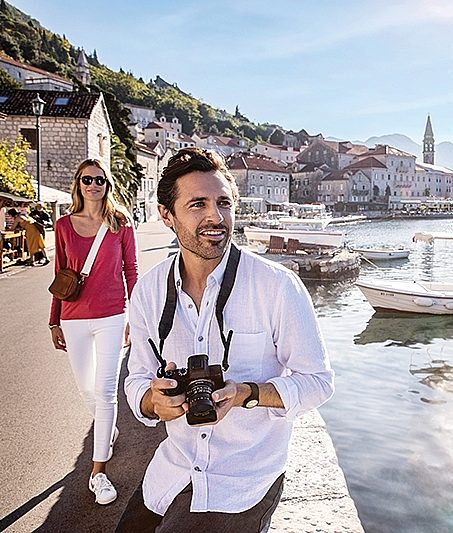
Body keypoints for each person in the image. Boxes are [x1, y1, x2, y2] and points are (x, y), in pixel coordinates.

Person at [117, 147, 334, 532]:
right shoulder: (149, 292)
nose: (215, 217)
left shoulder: (278, 286)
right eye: (197, 204)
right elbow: (136, 378)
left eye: (224, 203)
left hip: (244, 481)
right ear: (166, 215)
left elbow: (318, 382)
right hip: (172, 468)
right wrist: (153, 401)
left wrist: (246, 393)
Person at [48, 158, 138, 505]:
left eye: (99, 180)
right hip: (73, 318)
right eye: (87, 179)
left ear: (107, 185)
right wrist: (54, 321)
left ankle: (98, 472)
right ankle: (107, 429)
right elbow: (60, 274)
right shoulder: (64, 226)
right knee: (87, 390)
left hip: (112, 316)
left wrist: (134, 315)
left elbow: (131, 269)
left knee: (105, 392)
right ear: (78, 184)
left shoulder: (120, 224)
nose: (93, 185)